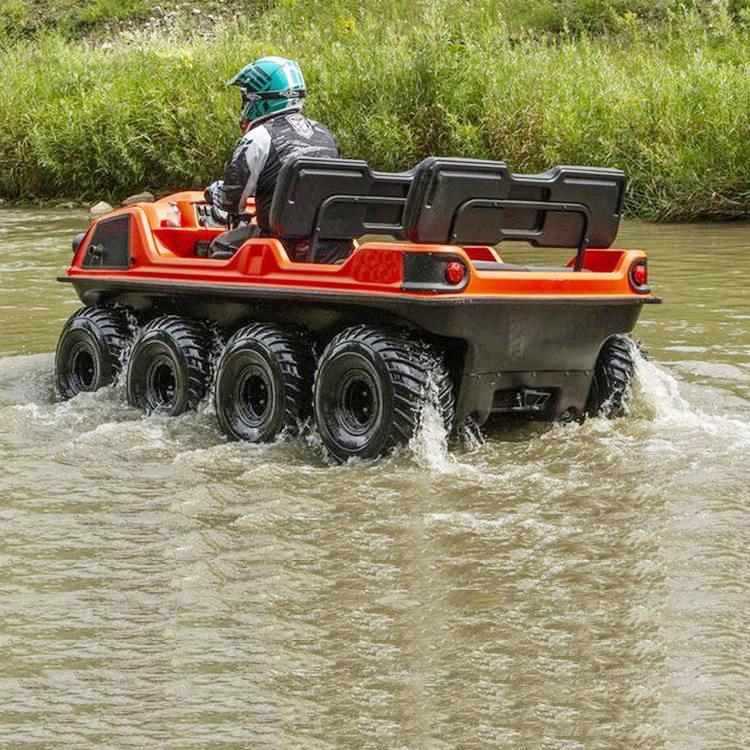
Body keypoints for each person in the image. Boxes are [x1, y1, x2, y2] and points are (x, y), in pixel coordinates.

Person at [205, 56, 350, 263]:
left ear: (258, 99)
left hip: (282, 247)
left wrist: (214, 192)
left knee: (220, 244)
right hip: (332, 248)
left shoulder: (258, 138)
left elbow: (232, 201)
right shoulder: (325, 134)